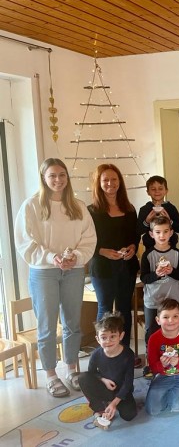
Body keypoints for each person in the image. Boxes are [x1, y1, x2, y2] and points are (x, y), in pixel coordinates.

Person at [15, 158, 97, 397]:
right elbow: (25, 242)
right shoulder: (31, 206)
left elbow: (88, 238)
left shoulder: (78, 206)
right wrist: (52, 258)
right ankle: (51, 374)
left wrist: (76, 257)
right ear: (43, 178)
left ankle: (71, 368)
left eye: (62, 175)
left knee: (73, 323)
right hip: (43, 272)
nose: (58, 180)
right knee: (47, 326)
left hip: (73, 270)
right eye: (52, 176)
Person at [88, 164, 139, 357]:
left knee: (125, 308)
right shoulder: (91, 211)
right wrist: (103, 251)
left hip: (126, 266)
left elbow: (135, 235)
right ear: (99, 184)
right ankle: (105, 353)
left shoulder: (129, 208)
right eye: (106, 180)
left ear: (120, 182)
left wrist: (133, 247)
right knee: (105, 308)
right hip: (102, 267)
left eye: (114, 179)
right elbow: (86, 241)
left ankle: (124, 351)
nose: (110, 183)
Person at [140, 215, 179, 375]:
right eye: (158, 232)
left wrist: (171, 271)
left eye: (165, 231)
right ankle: (151, 361)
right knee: (151, 332)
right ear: (151, 234)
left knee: (173, 329)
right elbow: (144, 278)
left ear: (171, 232)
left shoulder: (177, 253)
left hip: (172, 300)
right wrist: (157, 274)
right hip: (153, 301)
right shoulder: (148, 255)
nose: (162, 235)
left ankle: (173, 359)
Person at [78, 312, 137, 428]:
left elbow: (128, 381)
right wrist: (103, 379)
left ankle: (110, 404)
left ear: (121, 336)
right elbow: (91, 373)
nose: (108, 341)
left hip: (122, 391)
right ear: (98, 339)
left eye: (113, 336)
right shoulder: (96, 354)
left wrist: (115, 403)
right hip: (105, 389)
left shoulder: (128, 354)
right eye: (104, 337)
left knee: (129, 415)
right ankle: (99, 409)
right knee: (83, 377)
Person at [145, 298, 179, 416]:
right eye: (166, 317)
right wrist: (162, 365)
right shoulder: (153, 339)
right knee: (153, 410)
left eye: (175, 316)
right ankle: (169, 391)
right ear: (158, 320)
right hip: (162, 375)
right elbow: (152, 365)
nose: (171, 320)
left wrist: (178, 362)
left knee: (177, 407)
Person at [137, 175, 179, 250]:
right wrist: (147, 221)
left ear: (166, 191)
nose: (157, 191)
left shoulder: (171, 208)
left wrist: (170, 220)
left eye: (160, 188)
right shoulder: (144, 209)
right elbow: (138, 231)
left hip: (170, 246)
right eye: (153, 189)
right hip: (150, 247)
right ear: (148, 192)